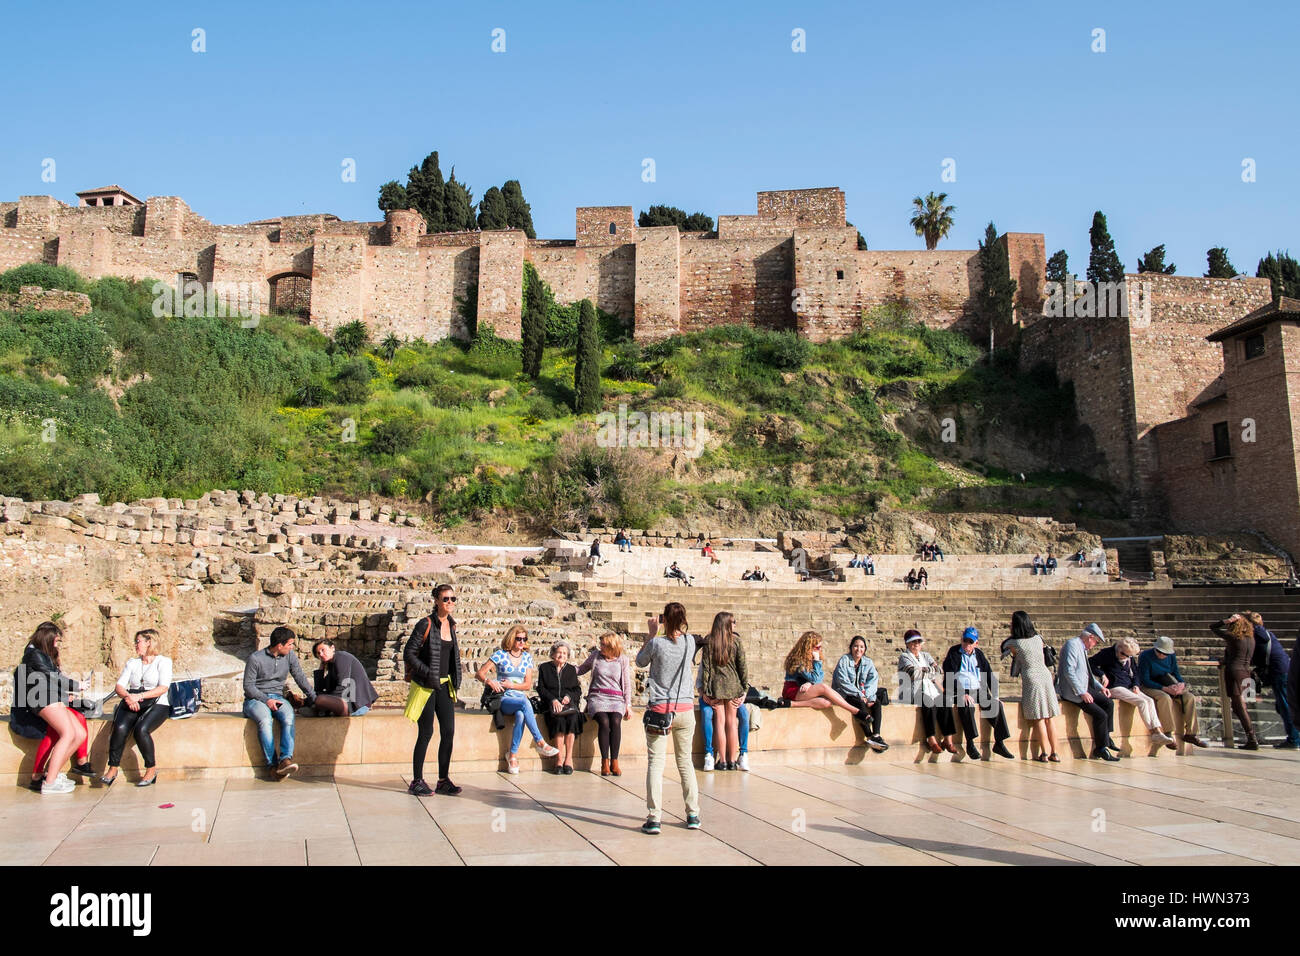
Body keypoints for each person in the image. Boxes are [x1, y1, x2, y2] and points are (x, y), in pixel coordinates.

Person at [637, 603, 702, 834]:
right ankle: (692, 814)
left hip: (660, 710)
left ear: (664, 619)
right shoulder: (690, 642)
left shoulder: (656, 643)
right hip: (685, 709)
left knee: (656, 764)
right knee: (685, 762)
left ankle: (654, 818)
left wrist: (652, 633)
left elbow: (640, 662)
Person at [11, 621, 92, 794]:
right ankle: (49, 782)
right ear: (47, 638)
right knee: (68, 733)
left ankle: (52, 774)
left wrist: (67, 695)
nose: (57, 644)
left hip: (52, 697)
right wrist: (77, 685)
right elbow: (53, 678)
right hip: (43, 699)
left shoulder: (41, 654)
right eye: (55, 640)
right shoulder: (35, 655)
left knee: (79, 734)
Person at [403, 583, 462, 796]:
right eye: (445, 599)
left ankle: (443, 779)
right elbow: (409, 653)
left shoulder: (452, 626)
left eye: (453, 599)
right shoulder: (425, 624)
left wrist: (455, 678)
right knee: (426, 732)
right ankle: (417, 780)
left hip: (445, 686)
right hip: (426, 686)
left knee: (448, 732)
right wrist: (428, 672)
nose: (450, 603)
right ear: (436, 601)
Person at [477, 625, 561, 773]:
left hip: (519, 698)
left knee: (521, 714)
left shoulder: (527, 658)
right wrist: (491, 682)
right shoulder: (501, 654)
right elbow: (480, 673)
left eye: (524, 639)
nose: (522, 642)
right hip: (503, 698)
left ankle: (513, 756)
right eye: (518, 639)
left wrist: (512, 685)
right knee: (524, 703)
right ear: (511, 638)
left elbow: (527, 685)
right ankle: (540, 742)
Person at [101, 629, 172, 787]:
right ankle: (113, 768)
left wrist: (139, 697)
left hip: (156, 702)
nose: (135, 645)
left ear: (149, 642)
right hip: (131, 700)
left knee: (141, 729)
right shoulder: (132, 663)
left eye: (138, 641)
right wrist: (128, 697)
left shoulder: (163, 662)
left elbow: (163, 687)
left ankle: (151, 769)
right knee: (119, 727)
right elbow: (119, 686)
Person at [243, 625, 316, 778]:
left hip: (278, 697)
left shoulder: (290, 656)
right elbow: (248, 686)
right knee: (265, 720)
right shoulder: (255, 658)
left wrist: (314, 697)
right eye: (289, 644)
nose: (292, 647)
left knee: (289, 717)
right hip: (256, 699)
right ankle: (272, 765)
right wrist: (266, 699)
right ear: (279, 645)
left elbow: (300, 677)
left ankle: (285, 760)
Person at [1089, 638, 1176, 749]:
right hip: (1114, 686)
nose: (1126, 658)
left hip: (1129, 686)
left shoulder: (1129, 657)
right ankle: (1153, 732)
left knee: (1149, 700)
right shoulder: (1107, 654)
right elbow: (1091, 663)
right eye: (1124, 655)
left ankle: (1158, 731)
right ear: (1120, 649)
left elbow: (1135, 672)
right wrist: (1102, 674)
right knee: (1142, 702)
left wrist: (1136, 684)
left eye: (1129, 656)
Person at [942, 627, 1014, 760]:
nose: (967, 645)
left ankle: (999, 743)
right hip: (959, 690)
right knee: (967, 705)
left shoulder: (978, 654)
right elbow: (949, 673)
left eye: (970, 642)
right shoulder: (954, 652)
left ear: (976, 643)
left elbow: (989, 674)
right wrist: (962, 692)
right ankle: (970, 743)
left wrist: (996, 696)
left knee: (996, 706)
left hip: (978, 690)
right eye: (965, 641)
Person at [1001, 611, 1061, 762]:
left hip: (1031, 678)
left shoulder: (1015, 643)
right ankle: (1055, 752)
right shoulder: (1038, 638)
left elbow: (1003, 647)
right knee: (1049, 718)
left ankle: (1045, 753)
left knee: (1039, 718)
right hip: (1045, 676)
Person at [1056, 623, 1118, 760]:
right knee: (1100, 715)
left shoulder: (1082, 648)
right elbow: (1069, 671)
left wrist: (1101, 688)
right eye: (1096, 641)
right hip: (1073, 691)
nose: (1094, 645)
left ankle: (1106, 738)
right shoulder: (1072, 645)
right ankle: (1101, 748)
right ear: (1090, 637)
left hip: (1084, 687)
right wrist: (1081, 692)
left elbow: (1087, 674)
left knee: (1108, 703)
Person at [577, 633, 632, 776]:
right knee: (604, 721)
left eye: (603, 645)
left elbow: (626, 683)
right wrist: (563, 666)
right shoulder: (596, 656)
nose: (600, 647)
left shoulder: (623, 660)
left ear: (611, 646)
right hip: (598, 696)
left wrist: (628, 704)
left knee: (615, 721)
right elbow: (581, 669)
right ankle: (604, 762)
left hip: (616, 699)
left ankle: (615, 761)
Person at [699, 612, 748, 771]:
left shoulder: (709, 641)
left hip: (716, 685)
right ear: (727, 624)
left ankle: (723, 761)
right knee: (732, 723)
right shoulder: (737, 642)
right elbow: (743, 668)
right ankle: (733, 760)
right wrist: (744, 688)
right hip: (733, 684)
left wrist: (705, 690)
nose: (735, 624)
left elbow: (706, 668)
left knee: (719, 723)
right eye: (733, 622)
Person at [1137, 636, 1206, 748]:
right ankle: (1168, 733)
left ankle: (1191, 733)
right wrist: (1165, 688)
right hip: (1151, 686)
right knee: (1165, 698)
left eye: (1165, 653)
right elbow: (1145, 679)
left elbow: (1175, 673)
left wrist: (1180, 684)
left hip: (1168, 683)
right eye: (1159, 652)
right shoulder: (1145, 656)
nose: (1162, 655)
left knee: (1190, 697)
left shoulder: (1171, 656)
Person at [897, 630, 957, 754]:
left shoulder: (926, 655)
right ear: (907, 644)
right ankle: (931, 739)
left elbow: (939, 670)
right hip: (912, 691)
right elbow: (912, 674)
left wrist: (923, 670)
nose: (916, 644)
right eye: (913, 642)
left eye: (918, 641)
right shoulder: (904, 657)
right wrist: (930, 670)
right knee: (927, 701)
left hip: (930, 689)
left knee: (944, 700)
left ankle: (948, 739)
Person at [1245, 611, 1298, 749]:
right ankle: (1294, 737)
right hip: (1283, 670)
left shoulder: (1256, 634)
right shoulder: (1265, 633)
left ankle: (1294, 739)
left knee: (1285, 706)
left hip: (1279, 673)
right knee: (1282, 706)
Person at [830, 636, 889, 752]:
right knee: (859, 704)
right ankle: (869, 735)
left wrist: (868, 696)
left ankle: (876, 735)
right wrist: (860, 695)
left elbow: (873, 680)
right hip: (845, 694)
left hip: (863, 694)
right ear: (851, 647)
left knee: (876, 703)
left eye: (861, 647)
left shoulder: (868, 662)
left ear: (865, 649)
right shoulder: (844, 660)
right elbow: (843, 682)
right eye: (856, 646)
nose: (858, 649)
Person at [782, 631, 861, 715]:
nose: (819, 650)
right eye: (817, 647)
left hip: (803, 690)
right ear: (808, 647)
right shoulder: (798, 660)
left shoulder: (810, 658)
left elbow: (819, 678)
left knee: (826, 702)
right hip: (792, 690)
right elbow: (816, 680)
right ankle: (854, 710)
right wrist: (817, 662)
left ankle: (792, 704)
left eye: (820, 647)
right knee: (823, 687)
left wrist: (810, 683)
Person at [1211, 614, 1258, 749]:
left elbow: (1213, 627)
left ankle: (1252, 738)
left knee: (1239, 707)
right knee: (1240, 707)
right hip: (1246, 673)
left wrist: (1227, 620)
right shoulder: (1251, 639)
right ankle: (1251, 737)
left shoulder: (1234, 637)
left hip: (1234, 672)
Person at [537, 642, 584, 774]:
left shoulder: (571, 670)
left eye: (564, 653)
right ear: (553, 654)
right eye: (559, 652)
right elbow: (541, 688)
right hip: (551, 705)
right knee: (559, 721)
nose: (561, 655)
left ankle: (568, 759)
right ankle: (559, 759)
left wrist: (568, 697)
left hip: (568, 706)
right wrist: (553, 700)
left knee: (573, 719)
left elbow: (577, 690)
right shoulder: (544, 668)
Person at [311, 639, 377, 717]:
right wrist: (321, 667)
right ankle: (316, 709)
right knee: (316, 698)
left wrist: (323, 700)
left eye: (323, 650)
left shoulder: (341, 657)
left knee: (320, 700)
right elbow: (319, 689)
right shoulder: (331, 665)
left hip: (356, 705)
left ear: (332, 648)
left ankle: (318, 709)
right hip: (344, 700)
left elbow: (342, 687)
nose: (321, 654)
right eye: (318, 653)